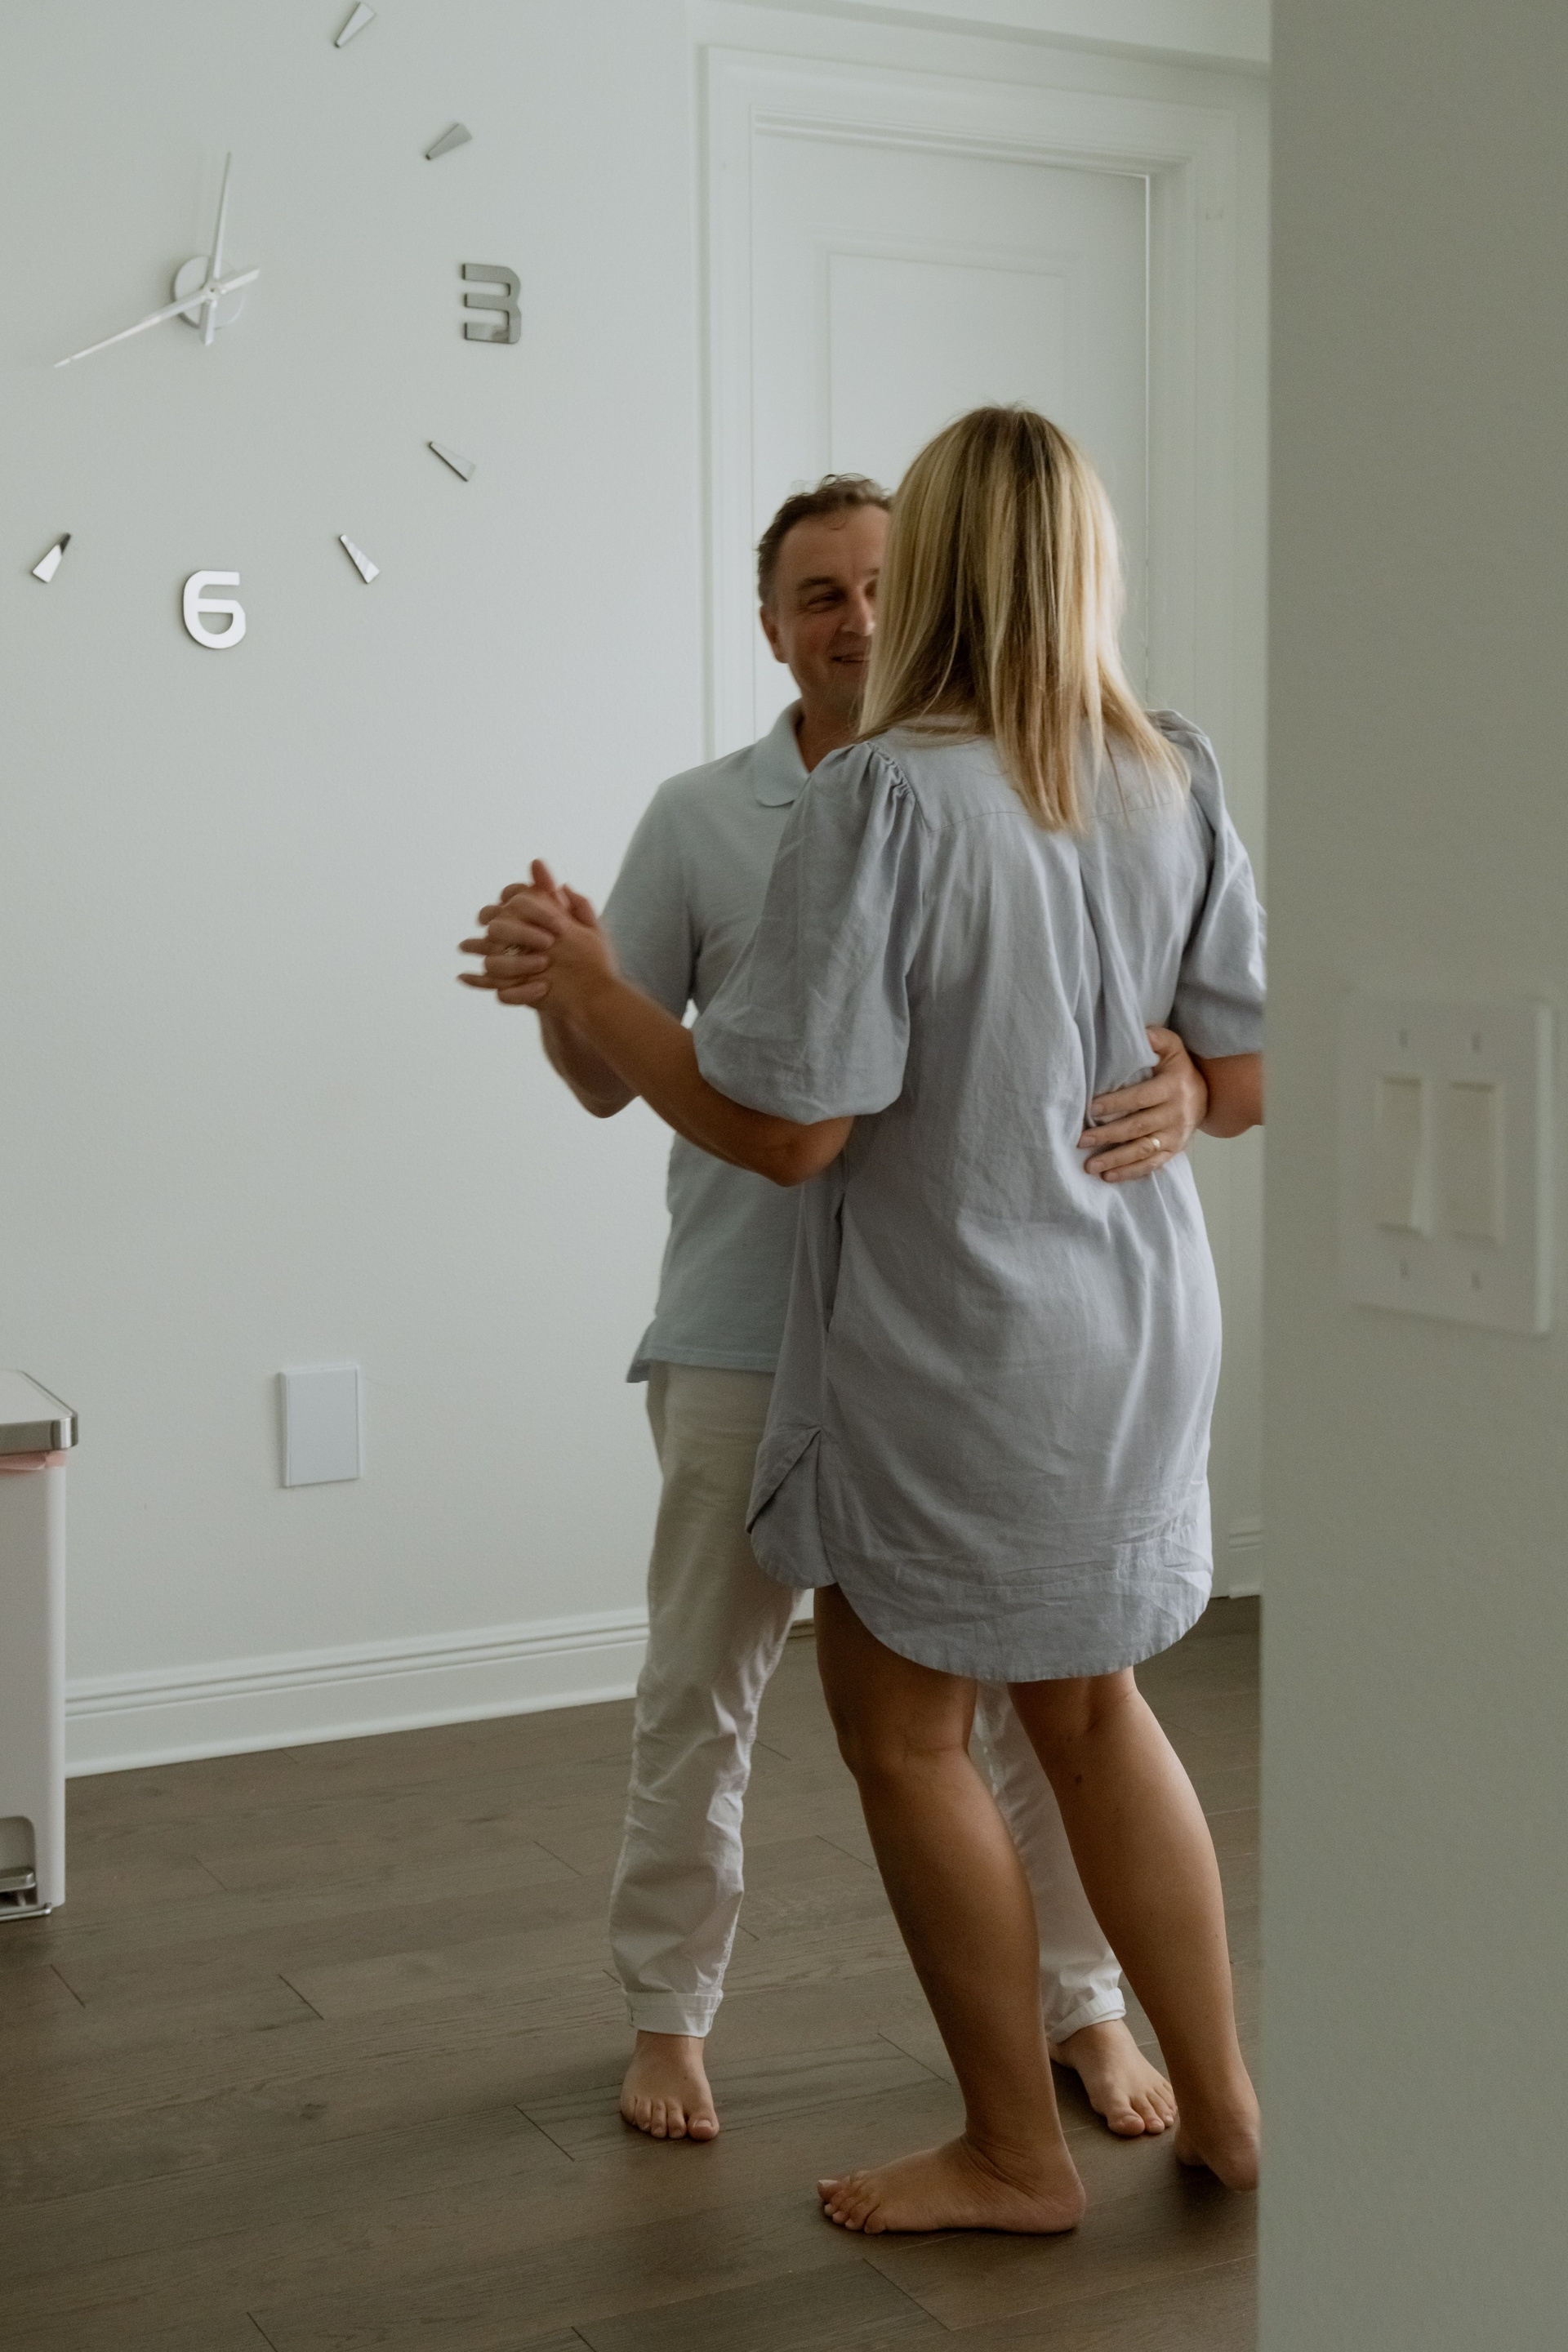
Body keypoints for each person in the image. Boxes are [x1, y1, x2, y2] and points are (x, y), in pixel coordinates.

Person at [461, 441, 1259, 2213]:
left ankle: (1028, 2127)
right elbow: (1249, 1063)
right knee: (1062, 1710)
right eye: (821, 593)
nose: (859, 615)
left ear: (945, 568)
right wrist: (586, 993)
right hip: (1087, 1326)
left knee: (924, 1731)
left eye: (888, 578)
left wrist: (596, 988)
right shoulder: (1167, 764)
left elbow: (791, 1131)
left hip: (949, 1340)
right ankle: (1217, 2108)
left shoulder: (892, 795)